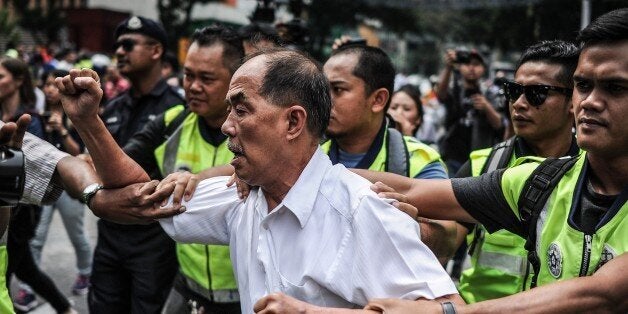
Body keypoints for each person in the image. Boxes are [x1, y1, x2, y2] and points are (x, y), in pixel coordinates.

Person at [56, 49, 461, 313]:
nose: (228, 127)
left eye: (242, 109)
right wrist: (88, 121)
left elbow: (449, 308)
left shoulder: (363, 211)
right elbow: (135, 201)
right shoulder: (240, 196)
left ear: (293, 121)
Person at [357, 8, 628, 313]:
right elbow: (411, 190)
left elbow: (604, 295)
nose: (590, 101)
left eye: (615, 87)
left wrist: (445, 312)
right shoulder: (536, 179)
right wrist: (313, 172)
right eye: (584, 85)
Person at [117, 25, 244, 313]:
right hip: (186, 289)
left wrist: (197, 179)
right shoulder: (171, 123)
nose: (193, 86)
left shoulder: (260, 128)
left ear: (236, 80)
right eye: (188, 75)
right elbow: (121, 166)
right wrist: (89, 124)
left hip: (248, 294)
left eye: (207, 78)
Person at [455, 40, 580, 303]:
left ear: (573, 101)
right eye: (514, 91)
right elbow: (445, 238)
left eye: (537, 93)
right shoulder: (482, 166)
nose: (519, 104)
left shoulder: (596, 175)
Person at [323, 44, 456, 263]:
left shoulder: (419, 160)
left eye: (338, 90)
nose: (325, 100)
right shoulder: (308, 158)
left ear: (378, 100)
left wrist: (415, 229)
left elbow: (449, 242)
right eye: (322, 89)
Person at [90, 15, 184, 313]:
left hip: (153, 242)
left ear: (156, 51)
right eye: (117, 46)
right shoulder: (113, 106)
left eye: (128, 45)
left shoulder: (177, 110)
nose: (119, 52)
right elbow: (90, 162)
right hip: (109, 235)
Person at [15, 69, 94, 308]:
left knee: (77, 234)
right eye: (47, 84)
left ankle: (85, 271)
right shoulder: (37, 116)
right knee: (37, 239)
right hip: (43, 186)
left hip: (70, 187)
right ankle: (28, 289)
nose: (51, 89)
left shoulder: (77, 115)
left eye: (55, 85)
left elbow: (78, 154)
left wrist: (61, 129)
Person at [436, 48, 506, 175]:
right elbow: (441, 94)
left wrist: (486, 107)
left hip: (479, 160)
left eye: (476, 64)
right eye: (467, 64)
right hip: (452, 156)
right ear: (460, 67)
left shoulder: (490, 93)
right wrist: (448, 68)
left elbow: (499, 125)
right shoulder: (455, 90)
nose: (471, 68)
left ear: (483, 69)